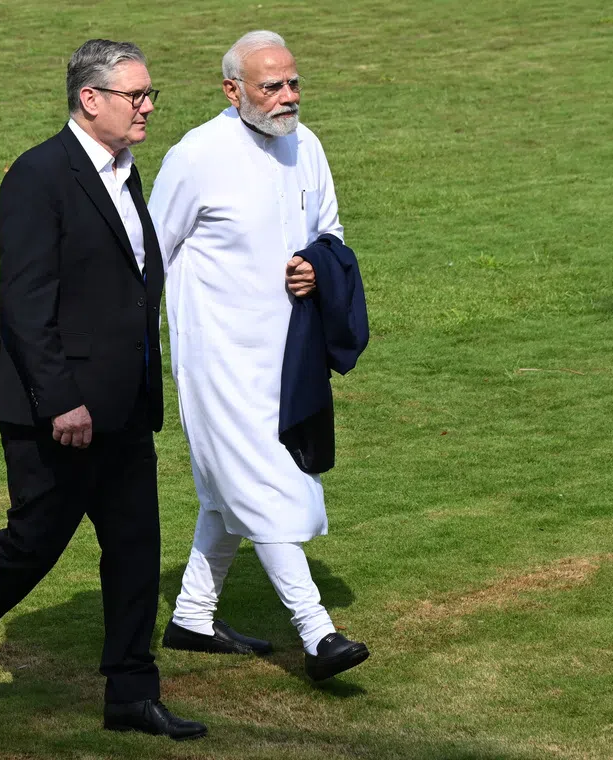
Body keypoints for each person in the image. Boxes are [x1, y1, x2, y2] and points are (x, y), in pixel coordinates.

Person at [0, 39, 207, 741]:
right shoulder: (38, 178)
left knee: (134, 547)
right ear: (90, 99)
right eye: (138, 96)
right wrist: (60, 400)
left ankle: (132, 693)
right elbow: (26, 303)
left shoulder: (125, 172)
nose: (150, 108)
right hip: (58, 410)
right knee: (34, 541)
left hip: (125, 404)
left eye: (150, 94)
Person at [148, 30, 370, 682]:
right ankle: (318, 633)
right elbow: (147, 256)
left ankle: (191, 615)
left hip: (288, 357)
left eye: (292, 82)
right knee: (269, 487)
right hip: (218, 361)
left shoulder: (308, 147)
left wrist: (315, 270)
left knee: (232, 491)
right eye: (271, 86)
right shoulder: (197, 156)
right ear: (233, 90)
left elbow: (330, 234)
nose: (287, 97)